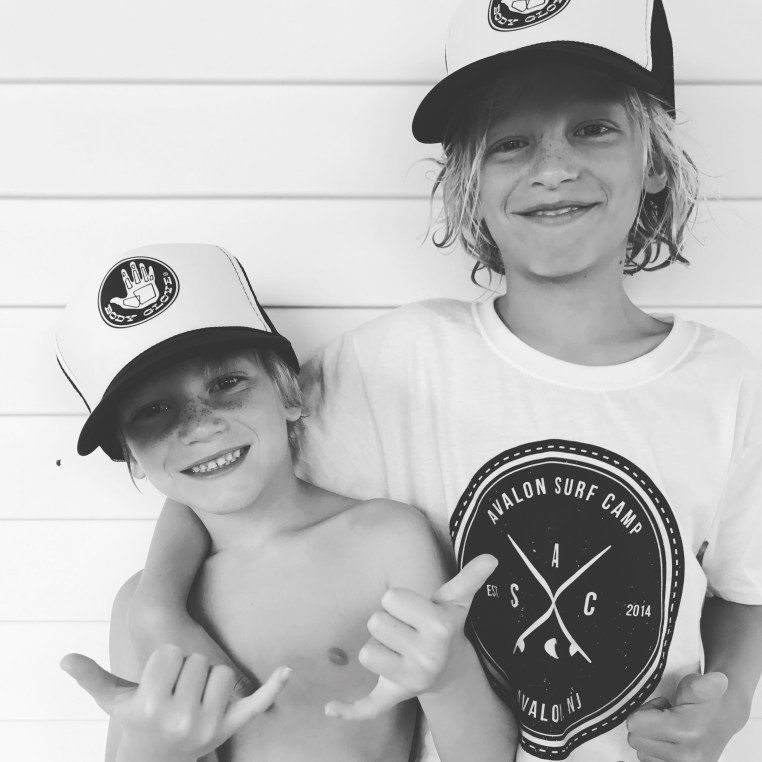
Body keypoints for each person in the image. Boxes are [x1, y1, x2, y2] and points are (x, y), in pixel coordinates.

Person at [100, 2, 762, 761]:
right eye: (510, 142)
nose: (553, 169)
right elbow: (222, 467)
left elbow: (745, 590)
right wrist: (155, 610)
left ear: (654, 159)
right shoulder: (388, 366)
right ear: (467, 181)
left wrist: (732, 700)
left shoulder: (729, 384)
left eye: (592, 128)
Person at [56, 243, 517, 762]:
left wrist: (450, 676)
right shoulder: (138, 606)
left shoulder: (383, 541)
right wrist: (151, 750)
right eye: (153, 410)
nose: (200, 426)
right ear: (130, 456)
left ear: (289, 394)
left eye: (227, 383)